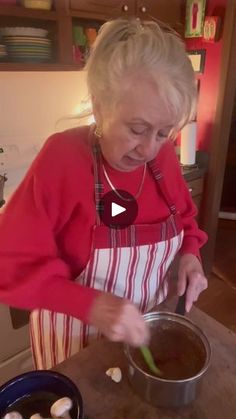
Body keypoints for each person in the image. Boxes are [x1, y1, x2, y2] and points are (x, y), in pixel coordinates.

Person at [0, 18, 208, 370]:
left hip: (146, 338)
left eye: (163, 133)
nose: (149, 149)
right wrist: (92, 305)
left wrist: (191, 254)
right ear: (99, 107)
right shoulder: (63, 158)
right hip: (74, 348)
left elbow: (185, 220)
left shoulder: (162, 160)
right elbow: (9, 263)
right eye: (137, 129)